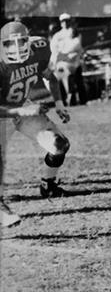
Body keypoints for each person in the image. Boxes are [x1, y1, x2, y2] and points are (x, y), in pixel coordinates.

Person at [0, 20, 71, 227]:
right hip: (4, 114)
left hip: (23, 107)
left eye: (20, 41)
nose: (15, 47)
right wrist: (22, 110)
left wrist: (59, 104)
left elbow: (51, 77)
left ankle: (48, 185)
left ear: (28, 39)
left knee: (59, 145)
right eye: (8, 44)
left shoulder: (39, 48)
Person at [50, 13, 87, 106]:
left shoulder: (75, 33)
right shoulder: (57, 35)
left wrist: (64, 52)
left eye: (67, 21)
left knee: (78, 81)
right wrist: (63, 54)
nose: (65, 23)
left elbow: (76, 46)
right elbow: (54, 48)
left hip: (74, 61)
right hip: (61, 62)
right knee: (59, 79)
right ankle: (65, 100)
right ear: (61, 23)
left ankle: (82, 100)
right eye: (63, 21)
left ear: (70, 22)